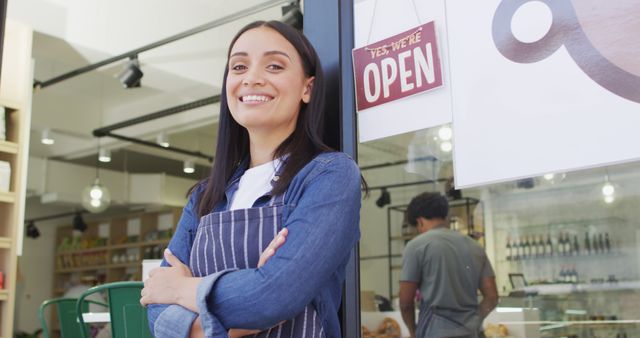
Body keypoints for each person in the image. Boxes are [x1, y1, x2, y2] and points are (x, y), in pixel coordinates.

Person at [140, 20, 362, 338]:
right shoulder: (205, 196)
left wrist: (181, 290)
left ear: (307, 88)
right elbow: (155, 305)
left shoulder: (330, 176)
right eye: (239, 66)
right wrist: (232, 323)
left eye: (274, 66)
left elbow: (274, 295)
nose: (252, 78)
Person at [399, 192, 498, 338]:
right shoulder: (474, 246)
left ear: (419, 222)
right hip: (472, 333)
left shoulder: (416, 246)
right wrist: (475, 320)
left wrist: (413, 332)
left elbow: (405, 302)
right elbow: (492, 297)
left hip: (434, 332)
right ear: (445, 216)